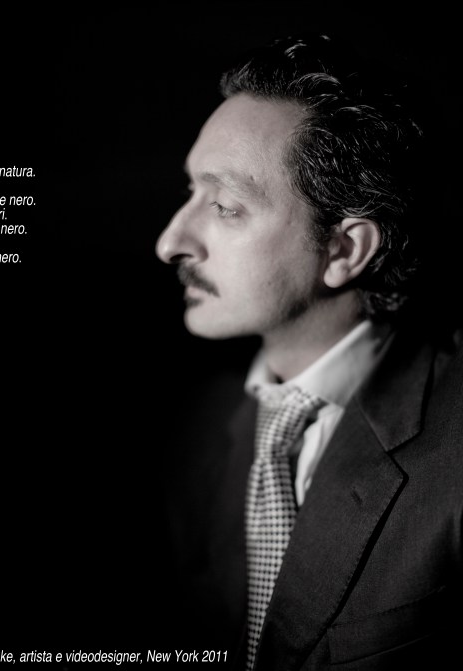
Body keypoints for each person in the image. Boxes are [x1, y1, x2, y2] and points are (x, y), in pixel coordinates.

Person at [155, 34, 462, 670]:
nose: (170, 242)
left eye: (226, 207)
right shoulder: (188, 430)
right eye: (189, 193)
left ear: (345, 249)